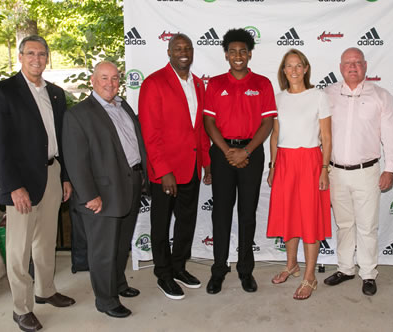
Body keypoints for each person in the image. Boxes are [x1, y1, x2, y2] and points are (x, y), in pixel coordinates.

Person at [0, 35, 75, 332]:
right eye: (31, 53)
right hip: (20, 181)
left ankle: (46, 290)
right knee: (19, 249)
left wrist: (64, 177)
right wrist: (12, 186)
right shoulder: (3, 92)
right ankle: (21, 308)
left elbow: (62, 140)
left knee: (46, 241)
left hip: (52, 173)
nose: (37, 58)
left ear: (47, 58)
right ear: (20, 57)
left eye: (42, 54)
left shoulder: (57, 94)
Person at [62, 61, 149, 319]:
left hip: (131, 184)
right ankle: (106, 299)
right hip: (102, 193)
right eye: (104, 78)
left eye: (114, 78)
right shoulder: (78, 114)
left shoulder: (122, 106)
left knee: (121, 244)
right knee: (103, 250)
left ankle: (118, 284)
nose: (110, 83)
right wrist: (89, 195)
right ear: (92, 80)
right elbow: (75, 160)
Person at [138, 33, 212, 300]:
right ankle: (163, 274)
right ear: (169, 52)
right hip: (166, 173)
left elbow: (200, 129)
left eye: (188, 48)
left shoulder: (198, 84)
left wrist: (207, 163)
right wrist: (162, 170)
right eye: (178, 48)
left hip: (191, 167)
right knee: (160, 224)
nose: (184, 52)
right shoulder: (153, 83)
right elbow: (150, 132)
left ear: (192, 52)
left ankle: (179, 267)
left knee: (186, 222)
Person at [203, 28, 277, 294]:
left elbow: (268, 122)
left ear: (250, 54)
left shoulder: (263, 84)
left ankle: (246, 270)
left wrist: (245, 152)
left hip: (251, 154)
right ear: (225, 54)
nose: (238, 56)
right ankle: (219, 269)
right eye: (232, 51)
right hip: (222, 153)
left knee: (247, 214)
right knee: (221, 214)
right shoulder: (215, 84)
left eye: (243, 51)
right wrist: (227, 152)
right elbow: (208, 122)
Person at [323, 47, 393, 296]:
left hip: (368, 172)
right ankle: (345, 269)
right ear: (340, 66)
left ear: (365, 66)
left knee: (367, 226)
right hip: (336, 172)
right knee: (344, 224)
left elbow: (390, 137)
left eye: (357, 62)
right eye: (348, 63)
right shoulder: (327, 94)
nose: (352, 66)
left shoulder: (381, 96)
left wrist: (390, 169)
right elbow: (318, 134)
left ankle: (368, 273)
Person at [266, 49, 332, 300]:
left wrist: (324, 168)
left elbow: (326, 136)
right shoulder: (278, 98)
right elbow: (275, 135)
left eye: (298, 65)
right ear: (283, 71)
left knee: (310, 218)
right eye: (288, 66)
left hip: (310, 161)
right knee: (289, 216)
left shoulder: (319, 96)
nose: (293, 70)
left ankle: (310, 276)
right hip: (284, 161)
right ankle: (291, 265)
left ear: (306, 68)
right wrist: (272, 166)